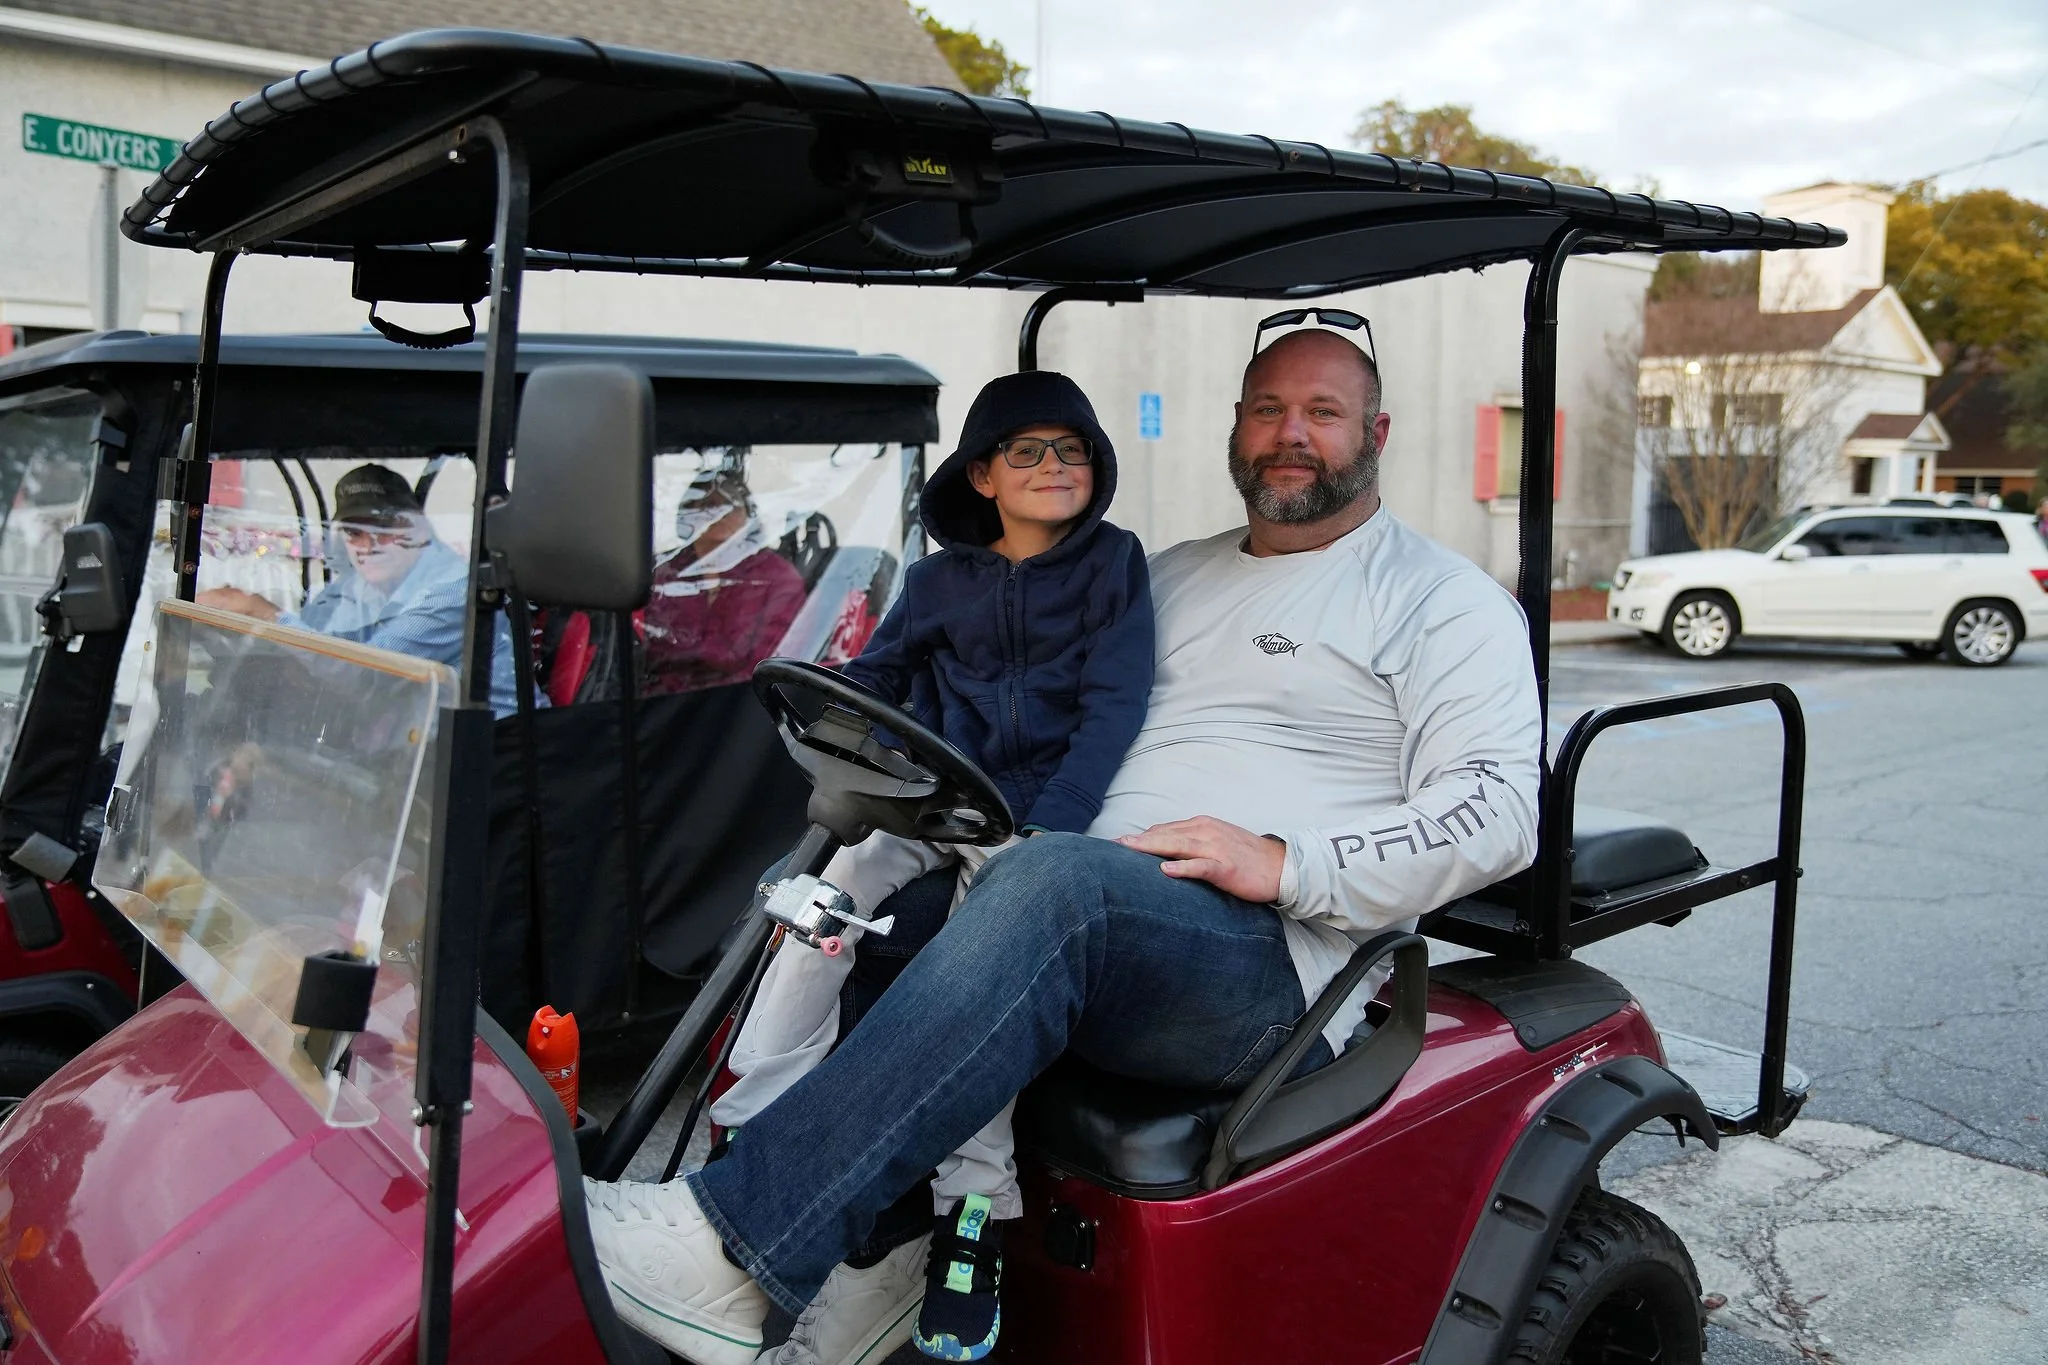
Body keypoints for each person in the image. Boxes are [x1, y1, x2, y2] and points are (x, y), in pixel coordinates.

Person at [581, 327, 1544, 1365]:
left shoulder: (1439, 602)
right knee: (837, 896)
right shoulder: (1161, 575)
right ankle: (884, 1265)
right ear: (1235, 425)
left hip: (1266, 956)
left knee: (1054, 884)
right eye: (1266, 409)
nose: (1289, 435)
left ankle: (728, 1249)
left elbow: (1495, 812)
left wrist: (1285, 859)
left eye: (1321, 412)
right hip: (1085, 895)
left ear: (1375, 433)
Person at [707, 370, 1152, 1363]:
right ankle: (752, 1118)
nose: (1052, 467)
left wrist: (1054, 828)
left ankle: (971, 1216)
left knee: (975, 966)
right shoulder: (938, 579)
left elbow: (1112, 707)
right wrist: (830, 706)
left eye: (1069, 450)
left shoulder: (1111, 566)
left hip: (1034, 820)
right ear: (983, 475)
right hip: (933, 797)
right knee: (821, 894)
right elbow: (886, 676)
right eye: (1027, 452)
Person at [196, 463, 527, 718]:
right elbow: (315, 636)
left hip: (491, 759)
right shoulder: (364, 584)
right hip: (413, 750)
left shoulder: (454, 590)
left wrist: (261, 612)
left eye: (383, 529)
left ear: (418, 527)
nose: (368, 546)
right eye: (355, 532)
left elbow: (364, 678)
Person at [639, 456, 809, 697]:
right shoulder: (661, 572)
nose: (717, 512)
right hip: (659, 706)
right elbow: (643, 654)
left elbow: (773, 664)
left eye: (728, 504)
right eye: (705, 504)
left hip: (740, 710)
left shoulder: (777, 578)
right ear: (685, 515)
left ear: (748, 515)